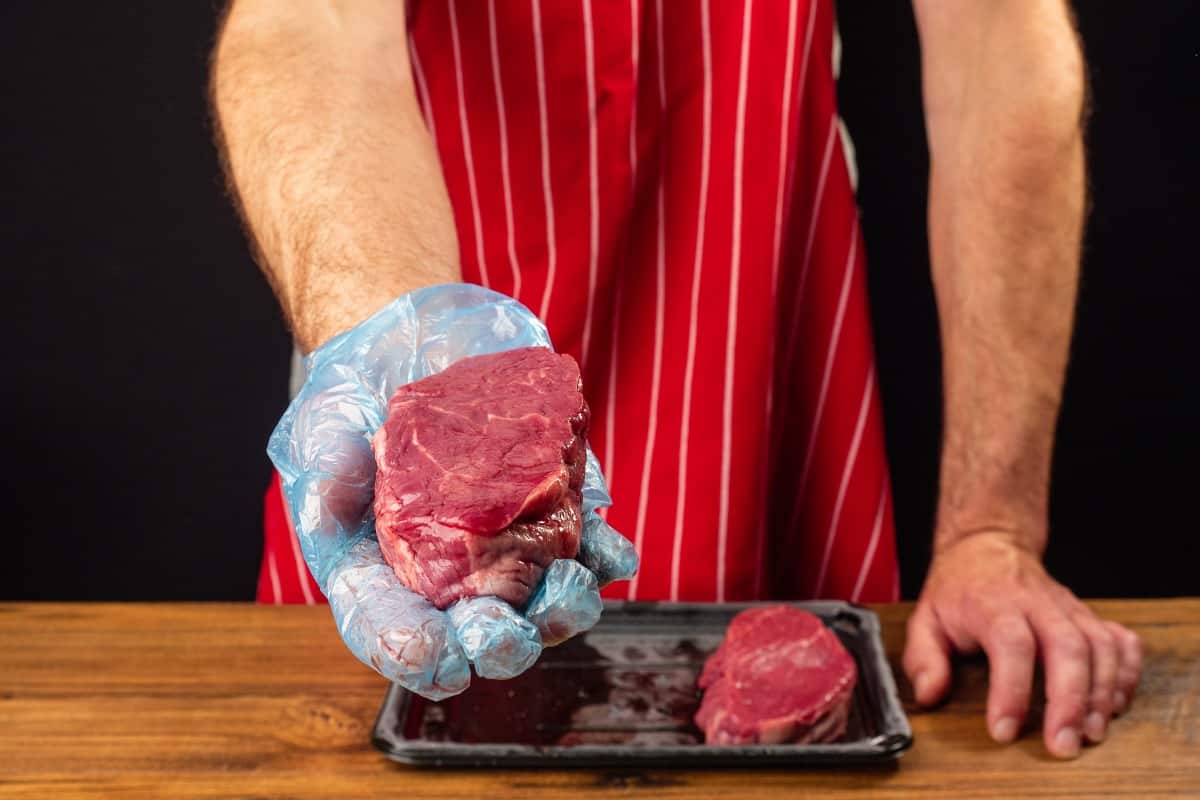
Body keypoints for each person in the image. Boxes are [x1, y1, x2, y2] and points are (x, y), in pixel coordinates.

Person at [211, 0, 1142, 759]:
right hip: (418, 283)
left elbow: (995, 36)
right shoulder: (405, 347)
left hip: (758, 317)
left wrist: (992, 526)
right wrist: (399, 340)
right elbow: (313, 20)